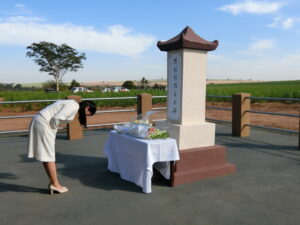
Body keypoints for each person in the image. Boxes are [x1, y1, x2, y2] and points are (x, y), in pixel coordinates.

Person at [27, 99, 96, 195]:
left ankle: (53, 183)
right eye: (88, 114)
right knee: (49, 155)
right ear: (87, 108)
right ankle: (55, 184)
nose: (85, 116)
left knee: (46, 155)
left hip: (40, 121)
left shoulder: (71, 103)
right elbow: (57, 118)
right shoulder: (74, 106)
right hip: (44, 124)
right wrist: (53, 131)